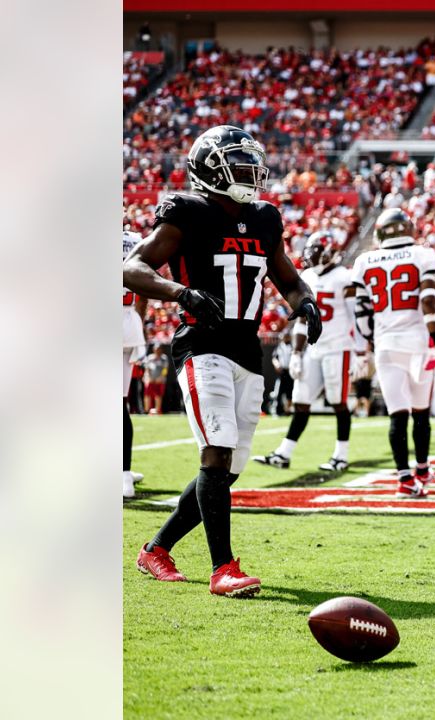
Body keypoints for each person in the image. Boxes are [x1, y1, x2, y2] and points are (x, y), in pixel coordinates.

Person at [128, 125, 322, 598]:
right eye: (239, 164)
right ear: (211, 168)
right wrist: (182, 293)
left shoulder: (264, 218)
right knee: (215, 452)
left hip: (247, 350)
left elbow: (288, 276)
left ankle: (156, 549)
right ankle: (224, 569)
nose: (251, 173)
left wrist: (306, 302)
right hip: (201, 343)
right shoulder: (188, 211)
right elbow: (133, 266)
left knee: (228, 468)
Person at [351, 208, 435, 498]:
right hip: (417, 343)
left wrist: (368, 343)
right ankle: (421, 469)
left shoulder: (365, 260)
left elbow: (362, 312)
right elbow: (428, 300)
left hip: (387, 344)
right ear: (408, 228)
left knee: (397, 414)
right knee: (421, 412)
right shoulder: (422, 254)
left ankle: (405, 479)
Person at [253, 231, 360, 473]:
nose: (310, 255)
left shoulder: (345, 277)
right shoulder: (307, 276)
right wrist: (297, 353)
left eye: (315, 250)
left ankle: (340, 456)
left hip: (338, 347)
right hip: (313, 348)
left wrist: (361, 350)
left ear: (329, 251)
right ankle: (284, 453)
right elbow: (302, 320)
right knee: (301, 401)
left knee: (338, 403)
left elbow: (356, 315)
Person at [123, 230, 147, 499]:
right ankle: (123, 472)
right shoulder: (133, 238)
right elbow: (143, 289)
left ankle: (122, 473)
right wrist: (139, 324)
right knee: (120, 402)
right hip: (128, 323)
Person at [142, 345, 169, 415]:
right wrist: (147, 377)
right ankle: (146, 411)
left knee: (158, 395)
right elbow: (147, 369)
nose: (158, 351)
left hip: (160, 380)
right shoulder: (150, 358)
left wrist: (161, 377)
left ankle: (158, 410)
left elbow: (165, 369)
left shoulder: (164, 358)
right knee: (147, 394)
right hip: (150, 379)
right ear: (153, 350)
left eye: (159, 349)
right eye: (156, 349)